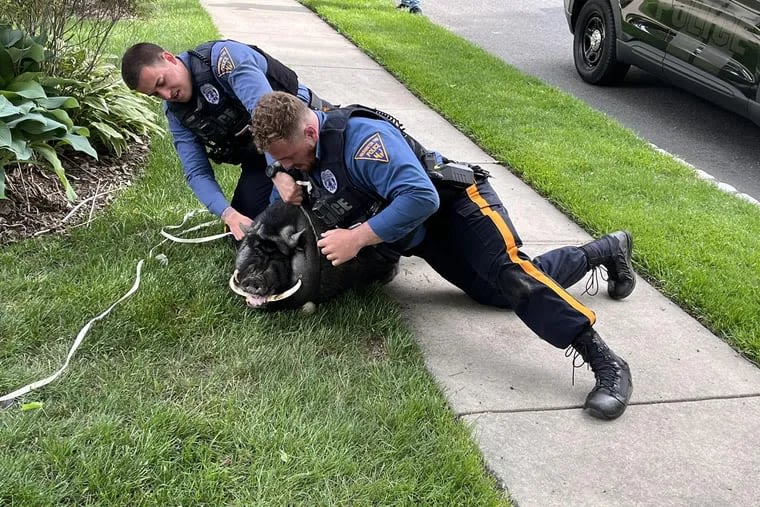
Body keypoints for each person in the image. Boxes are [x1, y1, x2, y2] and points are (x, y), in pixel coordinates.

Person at [250, 91, 636, 421]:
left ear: (311, 133)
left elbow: (422, 197)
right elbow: (287, 152)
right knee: (497, 295)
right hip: (423, 232)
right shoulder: (304, 143)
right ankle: (605, 251)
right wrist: (277, 173)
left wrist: (358, 238)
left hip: (460, 206)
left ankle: (607, 363)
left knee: (513, 276)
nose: (288, 166)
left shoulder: (365, 143)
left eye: (288, 159)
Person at [120, 40, 331, 240]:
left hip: (303, 134)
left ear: (169, 58)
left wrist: (279, 174)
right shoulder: (176, 113)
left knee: (322, 204)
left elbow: (273, 122)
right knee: (247, 231)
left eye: (161, 82)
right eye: (156, 94)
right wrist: (228, 214)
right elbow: (196, 172)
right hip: (261, 159)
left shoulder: (226, 60)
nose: (166, 95)